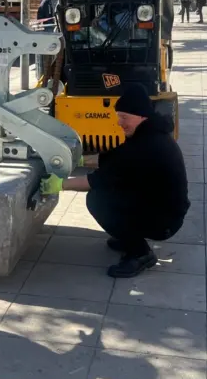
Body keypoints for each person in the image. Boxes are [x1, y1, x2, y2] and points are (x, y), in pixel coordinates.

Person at [41, 84, 190, 278]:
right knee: (112, 192)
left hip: (164, 221)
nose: (119, 122)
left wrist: (59, 184)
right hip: (161, 207)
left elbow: (95, 180)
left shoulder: (146, 146)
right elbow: (112, 158)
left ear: (141, 115)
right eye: (119, 116)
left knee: (98, 200)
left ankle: (140, 253)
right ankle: (129, 236)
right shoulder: (149, 133)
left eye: (124, 117)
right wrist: (77, 160)